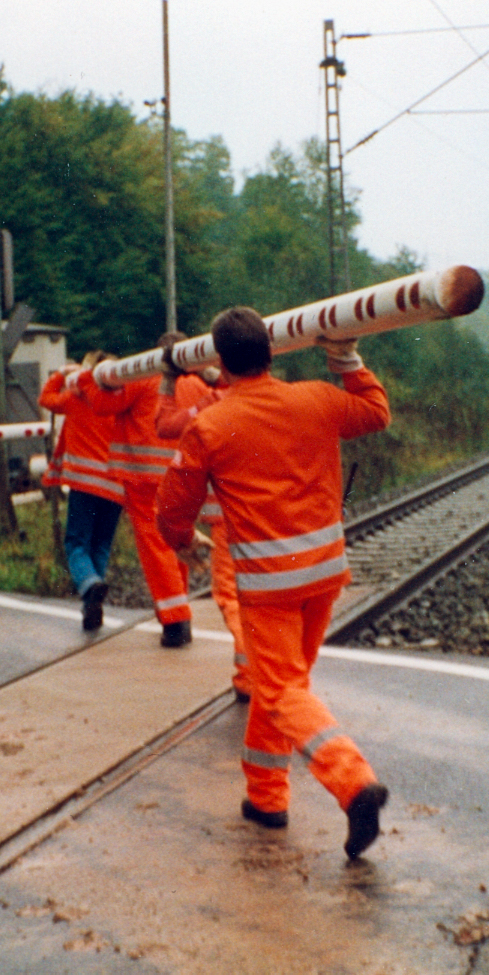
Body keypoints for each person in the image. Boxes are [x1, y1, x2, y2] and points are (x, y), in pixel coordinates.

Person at [155, 307, 391, 859]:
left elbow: (173, 508)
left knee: (283, 691)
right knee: (281, 685)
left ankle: (353, 782)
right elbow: (376, 412)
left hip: (269, 586)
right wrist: (347, 360)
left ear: (220, 362)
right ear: (270, 350)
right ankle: (266, 798)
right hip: (325, 574)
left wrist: (181, 540)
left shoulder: (211, 426)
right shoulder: (316, 398)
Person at [77, 335, 193, 647]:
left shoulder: (144, 378)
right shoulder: (195, 382)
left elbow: (102, 405)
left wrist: (86, 376)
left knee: (156, 546)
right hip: (184, 474)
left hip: (145, 476)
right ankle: (178, 608)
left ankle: (175, 620)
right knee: (178, 542)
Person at [154, 352, 250, 701]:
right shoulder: (284, 398)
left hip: (229, 519)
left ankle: (251, 676)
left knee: (232, 594)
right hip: (275, 516)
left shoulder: (214, 402)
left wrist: (169, 381)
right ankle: (274, 672)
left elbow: (165, 426)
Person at [39, 351, 125, 632]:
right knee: (101, 544)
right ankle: (92, 602)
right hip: (115, 485)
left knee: (76, 543)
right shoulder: (121, 402)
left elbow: (46, 399)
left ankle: (90, 586)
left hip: (84, 484)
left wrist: (62, 373)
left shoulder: (75, 399)